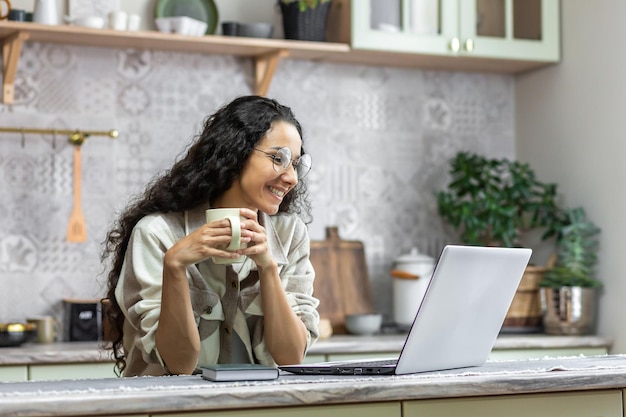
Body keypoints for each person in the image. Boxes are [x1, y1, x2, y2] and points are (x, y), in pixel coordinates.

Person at [101, 95, 320, 377]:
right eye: (279, 159)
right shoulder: (157, 233)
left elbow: (290, 357)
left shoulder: (290, 234)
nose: (291, 178)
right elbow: (178, 364)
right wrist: (176, 265)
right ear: (235, 151)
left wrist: (267, 268)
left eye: (295, 164)